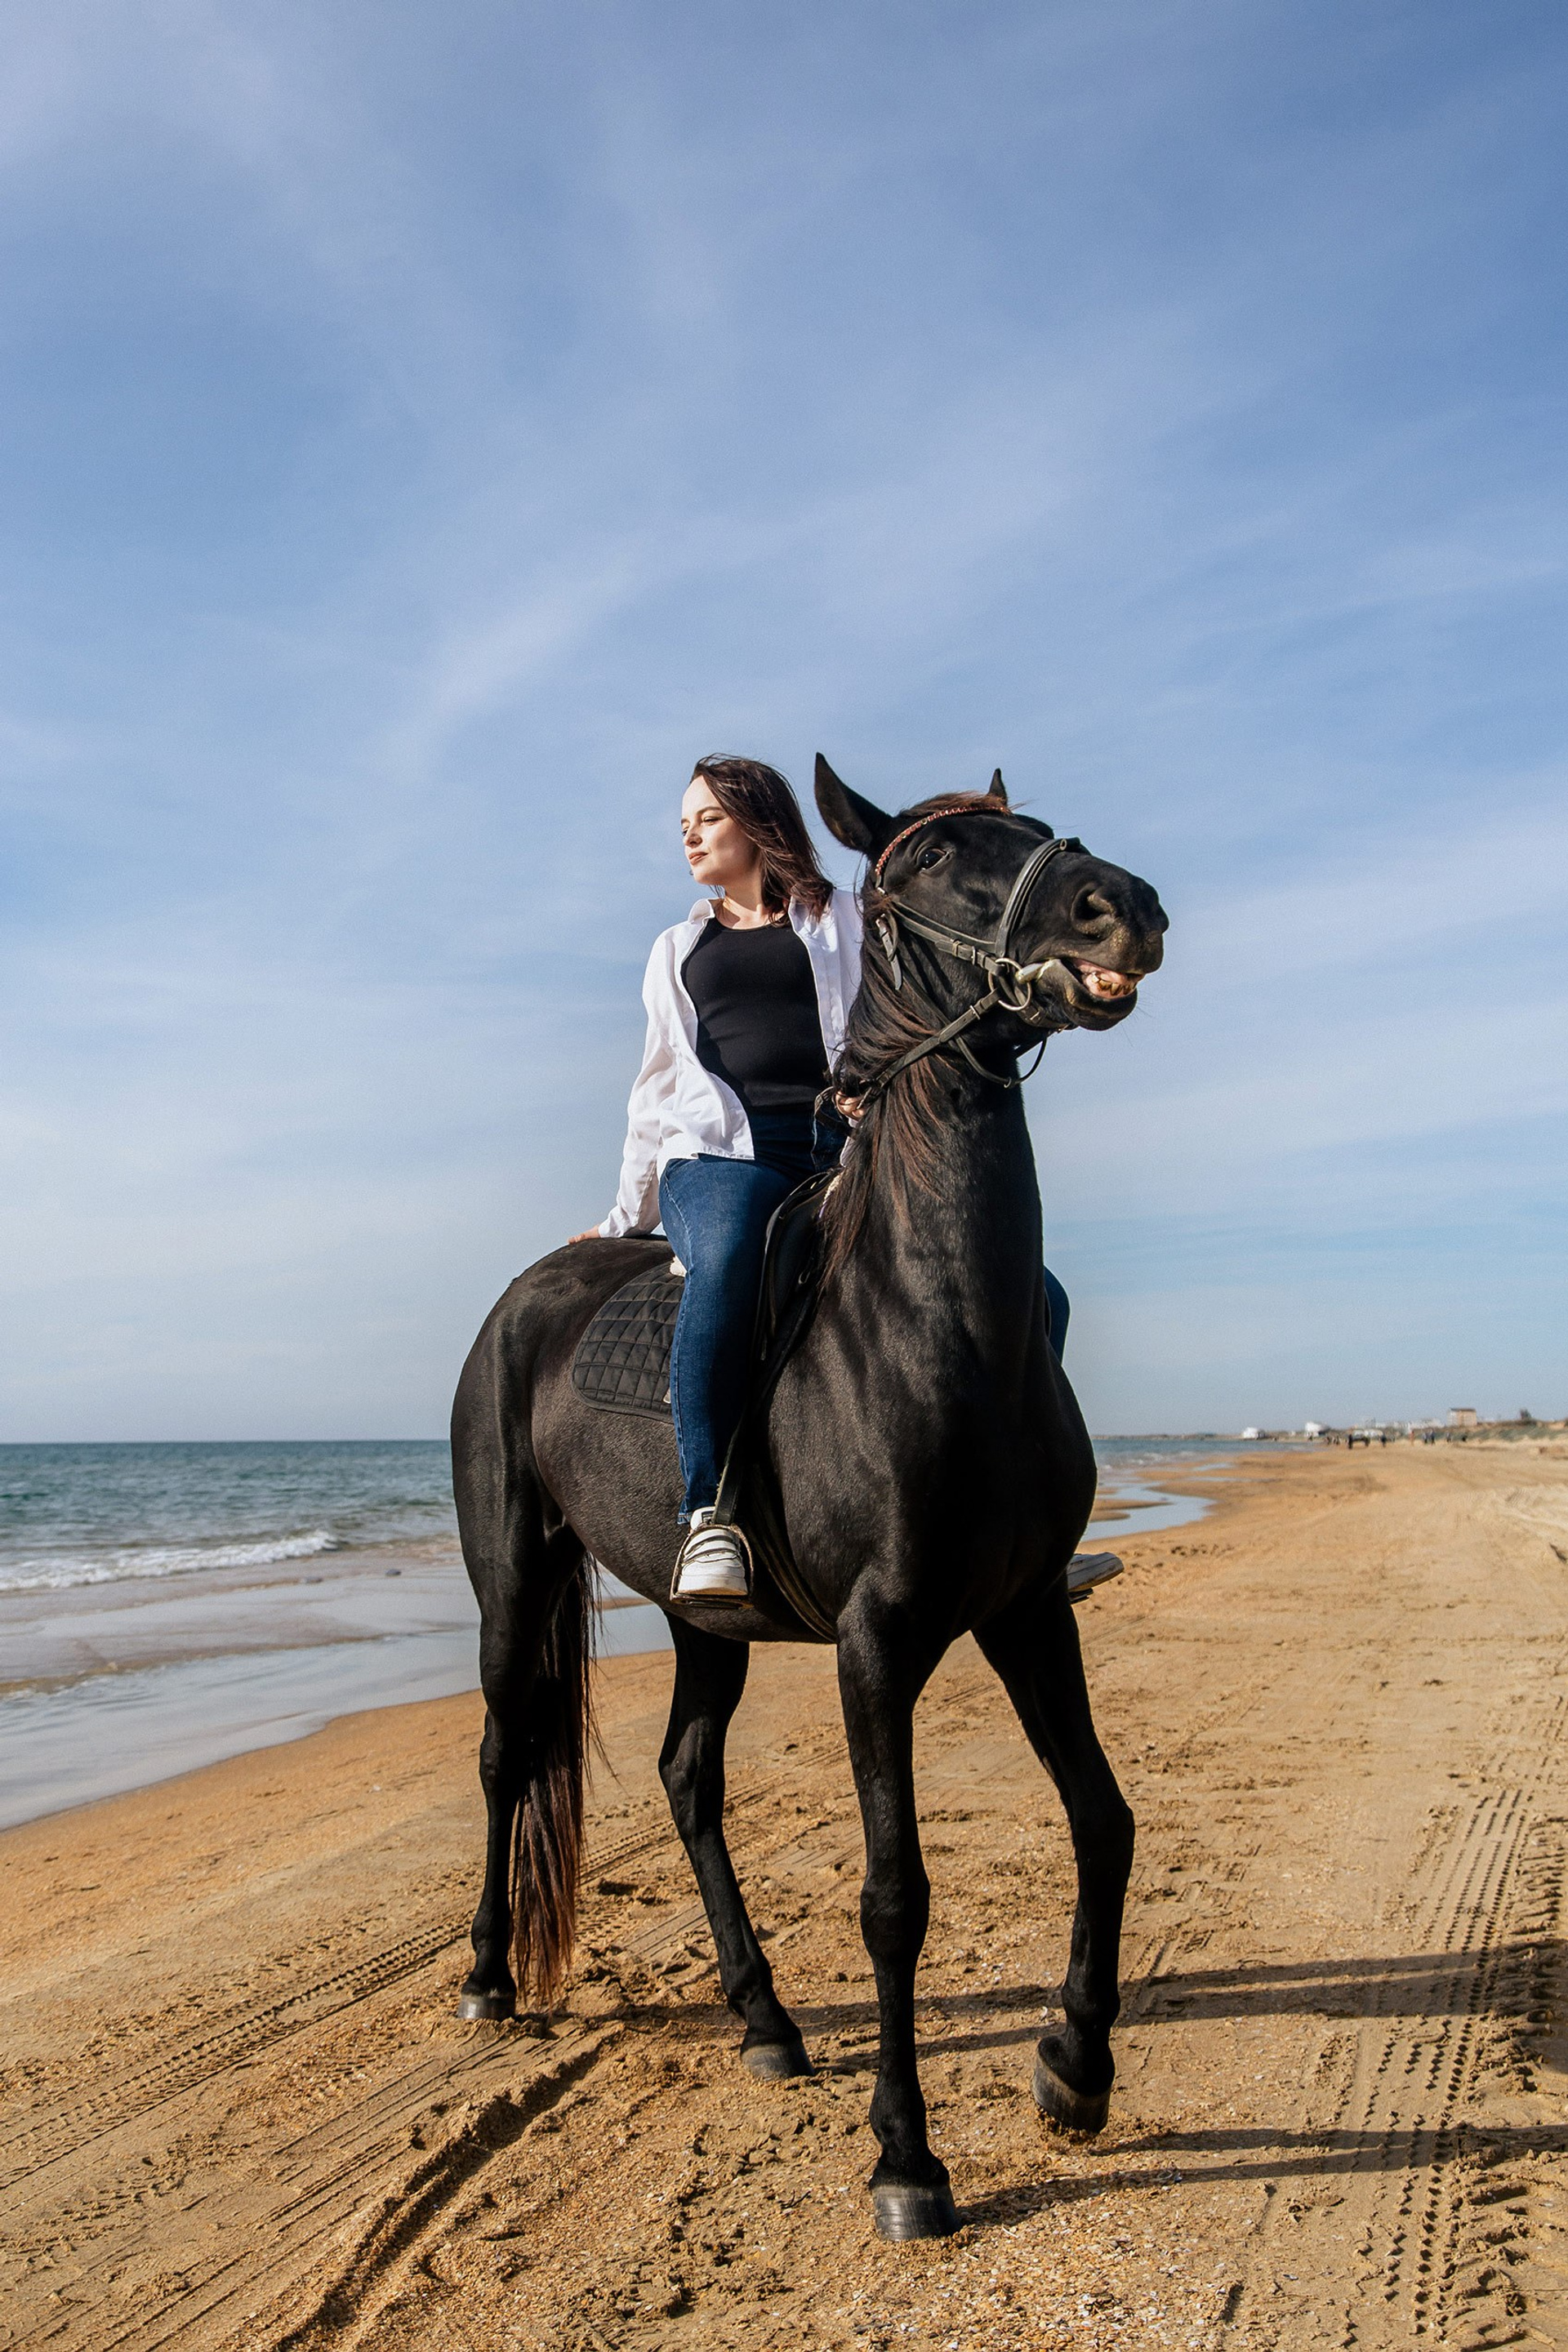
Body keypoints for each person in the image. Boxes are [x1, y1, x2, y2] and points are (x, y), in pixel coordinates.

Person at [571, 757, 862, 1604]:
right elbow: (655, 1087)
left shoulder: (841, 918)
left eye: (706, 818)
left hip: (834, 1155)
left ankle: (1020, 1523)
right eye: (684, 825)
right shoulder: (678, 948)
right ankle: (709, 1517)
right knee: (730, 1256)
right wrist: (629, 1216)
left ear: (757, 819)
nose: (690, 835)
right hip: (717, 1159)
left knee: (1033, 1289)